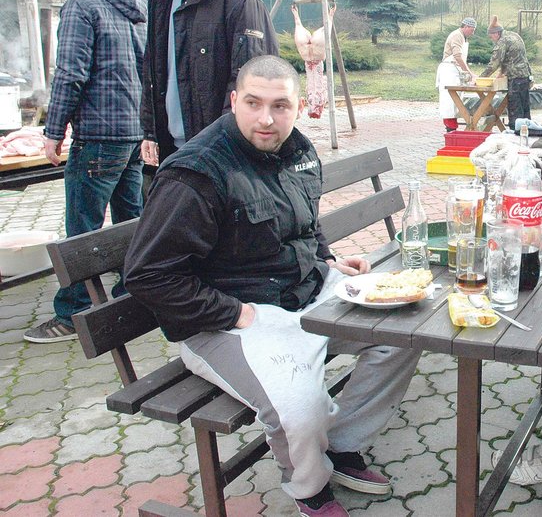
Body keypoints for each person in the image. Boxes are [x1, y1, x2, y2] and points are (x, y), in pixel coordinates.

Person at [124, 56, 421, 517]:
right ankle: (310, 487)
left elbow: (304, 224)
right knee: (300, 410)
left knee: (403, 330)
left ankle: (341, 446)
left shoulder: (298, 149)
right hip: (228, 322)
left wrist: (327, 259)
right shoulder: (196, 174)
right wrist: (235, 314)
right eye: (254, 103)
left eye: (280, 105)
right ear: (233, 102)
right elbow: (147, 275)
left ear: (298, 106)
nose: (267, 118)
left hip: (303, 294)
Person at [25, 0, 146, 343]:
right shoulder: (133, 10)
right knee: (132, 222)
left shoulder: (82, 6)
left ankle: (74, 311)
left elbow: (70, 73)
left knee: (82, 230)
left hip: (96, 136)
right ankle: (134, 295)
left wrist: (53, 130)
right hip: (130, 134)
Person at [135, 0, 277, 167]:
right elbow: (152, 70)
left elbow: (252, 80)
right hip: (174, 152)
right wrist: (150, 131)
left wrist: (222, 148)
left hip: (221, 157)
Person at [481, 15, 532, 130]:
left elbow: (495, 63)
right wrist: (501, 73)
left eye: (491, 37)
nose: (491, 39)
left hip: (515, 78)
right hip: (525, 76)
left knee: (515, 109)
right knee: (525, 108)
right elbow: (510, 57)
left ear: (496, 33)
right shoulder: (514, 35)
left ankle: (516, 132)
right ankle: (528, 131)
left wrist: (481, 78)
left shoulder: (502, 41)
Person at [437, 17, 477, 132]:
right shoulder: (456, 35)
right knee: (449, 101)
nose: (472, 33)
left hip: (455, 71)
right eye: (472, 30)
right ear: (466, 27)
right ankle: (450, 128)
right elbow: (457, 56)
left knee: (456, 101)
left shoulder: (463, 38)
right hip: (449, 71)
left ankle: (453, 128)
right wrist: (469, 72)